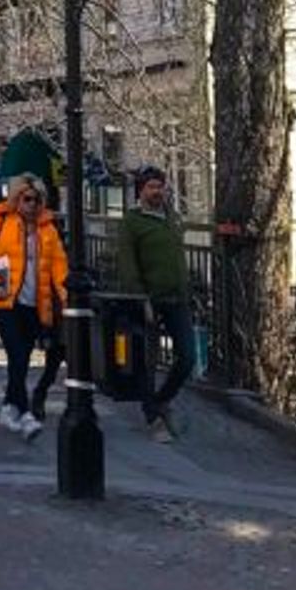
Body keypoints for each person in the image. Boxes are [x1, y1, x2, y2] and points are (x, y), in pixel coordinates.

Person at [0, 176, 69, 440]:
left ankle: (7, 408)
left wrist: (65, 293)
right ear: (16, 199)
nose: (32, 205)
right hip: (5, 301)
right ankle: (25, 414)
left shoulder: (47, 229)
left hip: (35, 304)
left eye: (37, 200)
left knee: (21, 358)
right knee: (16, 353)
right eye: (26, 199)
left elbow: (59, 266)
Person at [114, 165, 192, 441]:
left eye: (160, 186)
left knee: (187, 357)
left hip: (176, 296)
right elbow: (128, 264)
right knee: (147, 360)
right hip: (148, 299)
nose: (157, 192)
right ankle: (151, 415)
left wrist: (187, 286)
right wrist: (139, 296)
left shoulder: (171, 217)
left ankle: (162, 399)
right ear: (141, 191)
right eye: (151, 187)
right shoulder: (132, 221)